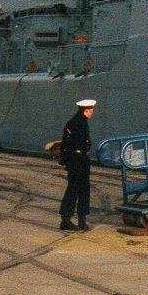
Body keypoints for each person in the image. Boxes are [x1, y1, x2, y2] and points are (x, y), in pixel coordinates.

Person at [59, 98, 95, 231]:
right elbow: (68, 144)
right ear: (86, 110)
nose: (92, 112)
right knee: (80, 189)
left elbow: (65, 145)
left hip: (77, 160)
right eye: (91, 110)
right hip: (79, 159)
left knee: (74, 189)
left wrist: (66, 161)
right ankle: (76, 220)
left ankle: (70, 218)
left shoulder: (73, 122)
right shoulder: (80, 123)